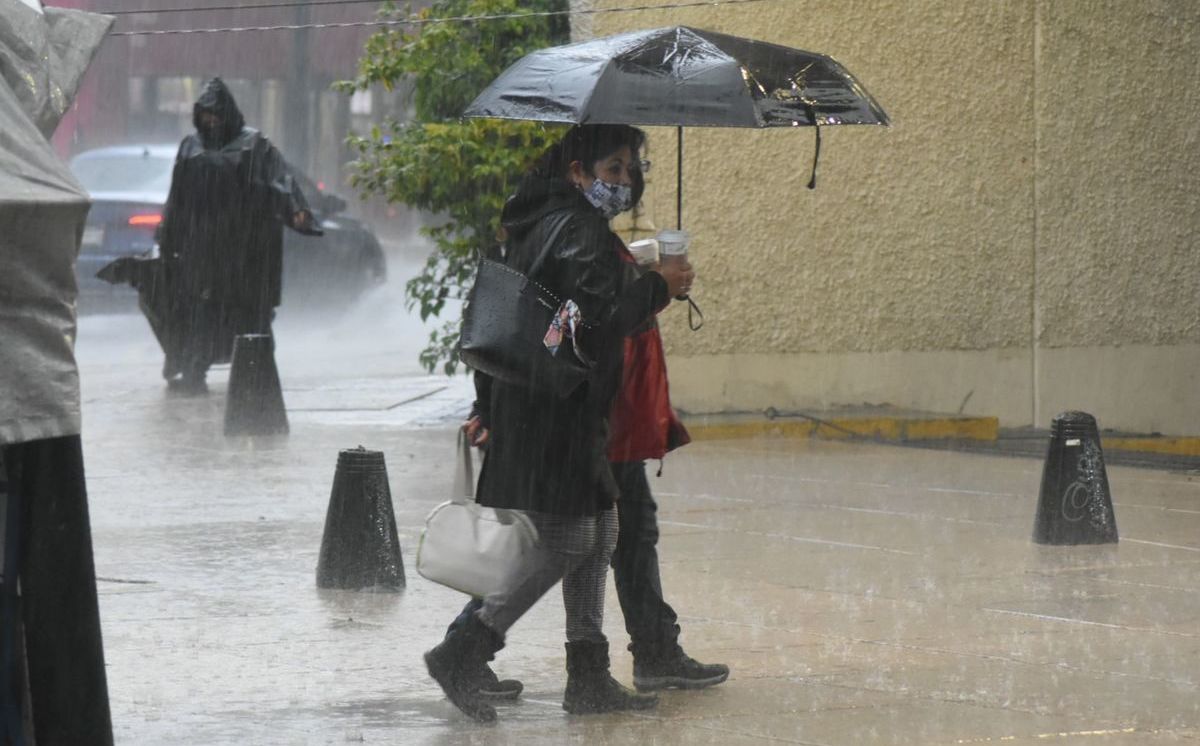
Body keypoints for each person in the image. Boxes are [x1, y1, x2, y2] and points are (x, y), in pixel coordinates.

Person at [423, 124, 695, 723]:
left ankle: (588, 674)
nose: (624, 182)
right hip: (554, 409)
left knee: (601, 532)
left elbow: (558, 309)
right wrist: (658, 287)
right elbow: (596, 317)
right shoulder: (573, 227)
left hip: (555, 403)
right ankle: (464, 649)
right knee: (568, 540)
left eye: (629, 170)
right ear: (578, 170)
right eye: (613, 168)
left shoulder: (546, 220)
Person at [157, 77, 319, 394]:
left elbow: (281, 180)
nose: (211, 120)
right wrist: (168, 236)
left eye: (216, 114)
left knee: (252, 316)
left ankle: (258, 379)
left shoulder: (254, 144)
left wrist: (296, 208)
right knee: (201, 314)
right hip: (203, 249)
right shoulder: (191, 147)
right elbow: (177, 196)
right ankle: (193, 372)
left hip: (247, 250)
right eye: (206, 114)